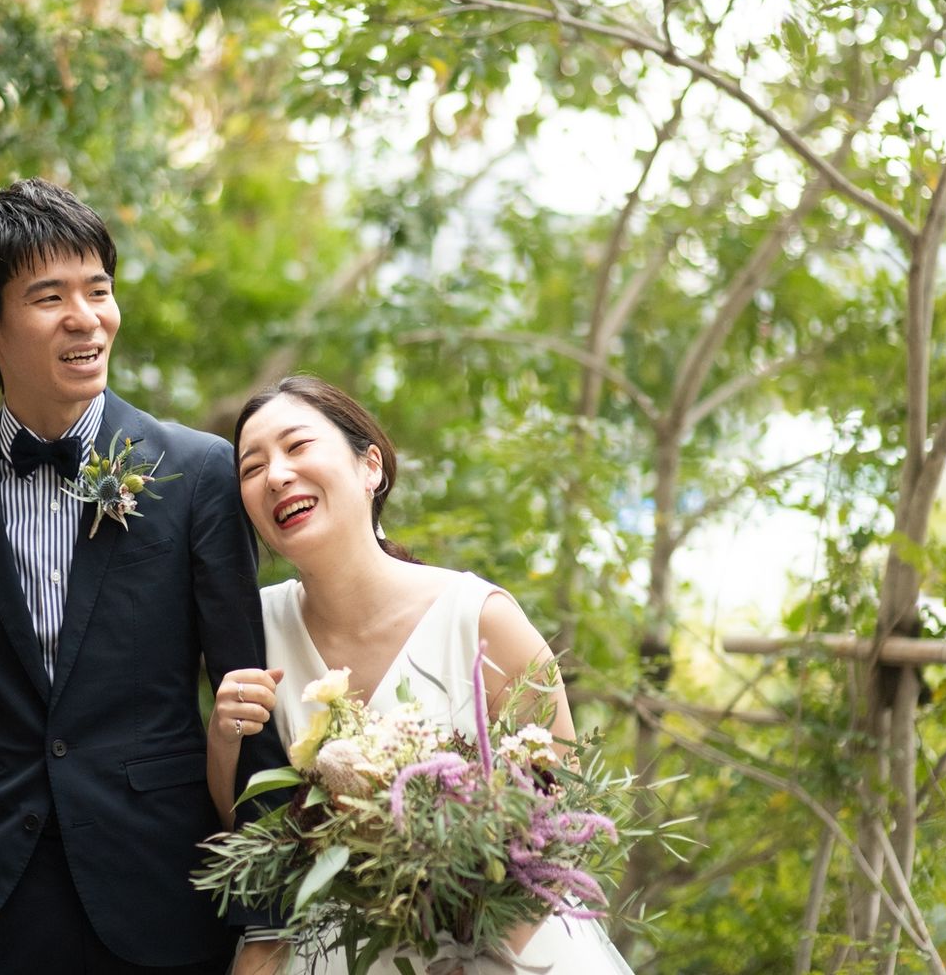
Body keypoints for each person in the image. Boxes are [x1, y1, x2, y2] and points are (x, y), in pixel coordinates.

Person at [0, 178, 286, 975]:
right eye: (50, 297)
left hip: (165, 902)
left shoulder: (198, 473)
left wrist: (265, 922)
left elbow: (252, 705)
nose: (87, 317)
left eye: (99, 289)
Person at [208, 375, 636, 975]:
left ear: (371, 467)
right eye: (252, 468)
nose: (276, 475)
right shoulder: (255, 627)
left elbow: (560, 827)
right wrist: (224, 735)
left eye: (297, 446)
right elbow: (248, 835)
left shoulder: (481, 619)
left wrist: (473, 946)